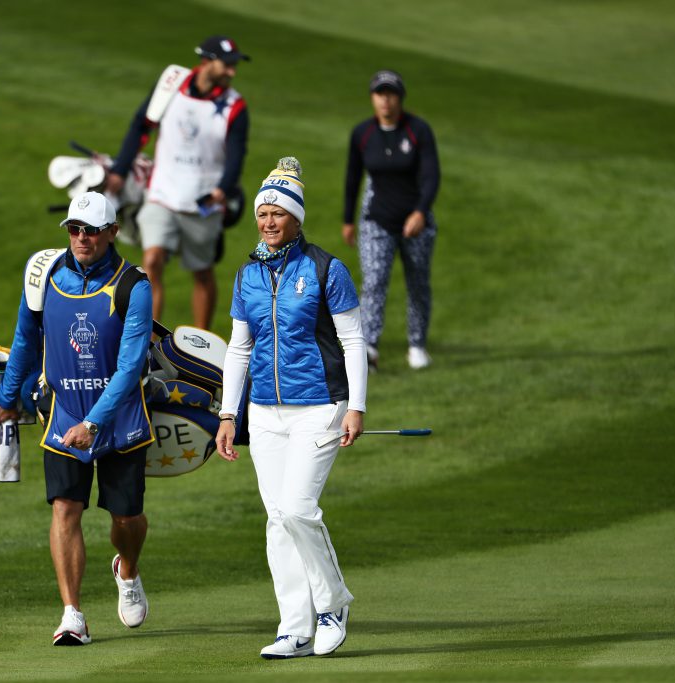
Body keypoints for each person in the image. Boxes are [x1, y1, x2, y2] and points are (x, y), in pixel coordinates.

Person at [215, 157, 367, 659]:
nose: (269, 220)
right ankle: (294, 628)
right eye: (263, 212)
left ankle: (333, 603)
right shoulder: (247, 275)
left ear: (297, 217)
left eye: (279, 212)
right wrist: (228, 414)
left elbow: (352, 341)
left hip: (320, 406)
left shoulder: (326, 268)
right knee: (278, 518)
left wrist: (356, 406)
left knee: (300, 509)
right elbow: (239, 349)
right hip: (264, 413)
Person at [0, 191, 154, 646]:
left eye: (91, 231)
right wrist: (9, 398)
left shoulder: (134, 286)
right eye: (74, 229)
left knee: (127, 519)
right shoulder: (45, 274)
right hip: (63, 412)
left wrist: (96, 423)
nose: (81, 238)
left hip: (119, 419)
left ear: (112, 234)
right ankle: (72, 615)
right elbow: (25, 339)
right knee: (66, 508)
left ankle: (128, 568)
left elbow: (129, 368)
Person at [105, 35, 251, 330]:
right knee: (153, 260)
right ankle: (149, 338)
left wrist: (224, 188)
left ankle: (200, 342)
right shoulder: (171, 87)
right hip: (162, 194)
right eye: (227, 65)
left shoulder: (236, 107)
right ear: (207, 62)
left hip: (204, 203)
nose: (232, 72)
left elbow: (237, 155)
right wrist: (120, 170)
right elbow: (141, 125)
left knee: (201, 273)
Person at [342, 69, 440, 370]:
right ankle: (369, 347)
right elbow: (353, 178)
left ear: (400, 98)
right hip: (377, 219)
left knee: (418, 283)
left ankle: (417, 344)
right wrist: (348, 220)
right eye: (380, 94)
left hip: (416, 220)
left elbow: (431, 176)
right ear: (372, 98)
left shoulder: (417, 131)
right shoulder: (363, 134)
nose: (385, 101)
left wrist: (421, 212)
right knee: (373, 281)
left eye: (391, 94)